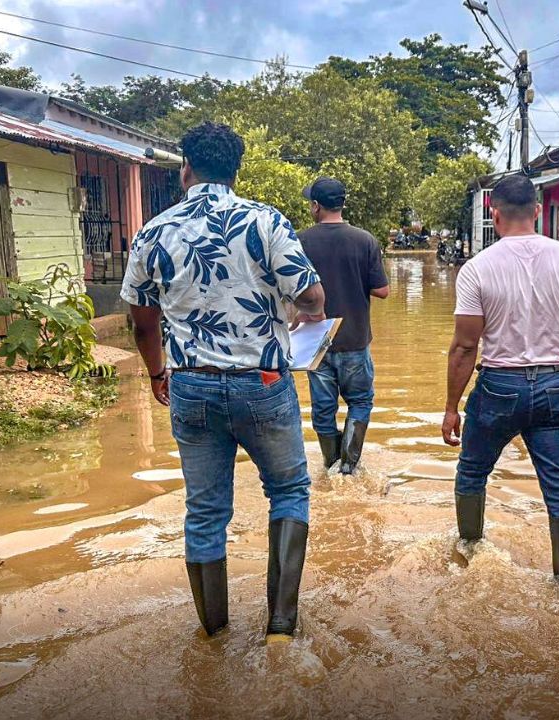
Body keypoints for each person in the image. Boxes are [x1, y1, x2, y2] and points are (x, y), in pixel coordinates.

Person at [121, 122, 326, 640]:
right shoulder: (266, 222)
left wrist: (155, 372)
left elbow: (141, 321)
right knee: (289, 490)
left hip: (189, 384)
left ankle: (213, 634)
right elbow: (313, 298)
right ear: (237, 170)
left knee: (205, 509)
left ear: (185, 168)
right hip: (262, 381)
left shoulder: (153, 231)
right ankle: (280, 626)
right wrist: (292, 318)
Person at [440, 174, 559, 584]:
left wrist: (450, 408)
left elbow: (464, 346)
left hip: (498, 387)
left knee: (473, 472)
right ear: (537, 211)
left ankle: (470, 553)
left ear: (494, 215)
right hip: (555, 387)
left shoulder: (477, 270)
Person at [296, 177, 390, 474]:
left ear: (315, 206)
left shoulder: (299, 241)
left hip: (316, 343)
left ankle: (330, 465)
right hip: (354, 339)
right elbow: (382, 290)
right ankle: (349, 468)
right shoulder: (365, 240)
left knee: (323, 411)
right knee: (360, 401)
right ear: (343, 204)